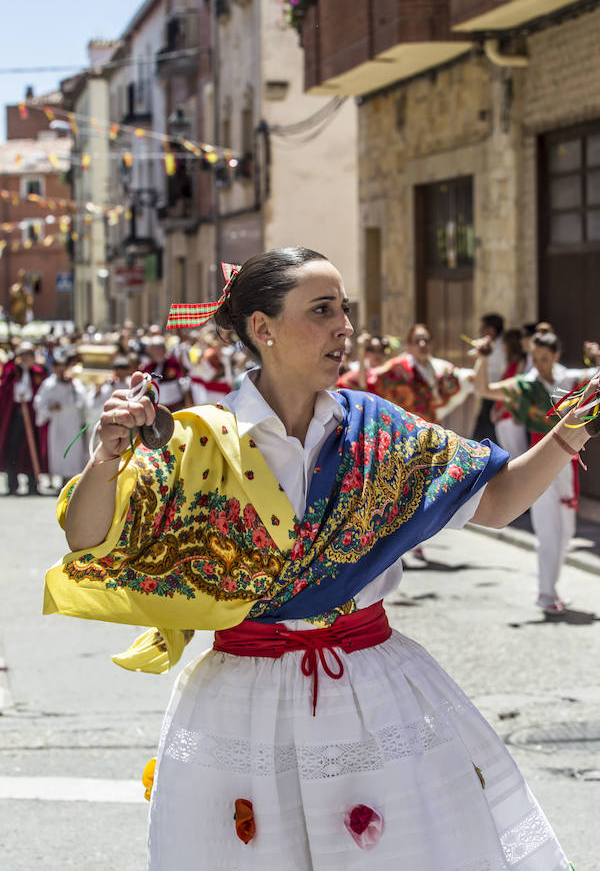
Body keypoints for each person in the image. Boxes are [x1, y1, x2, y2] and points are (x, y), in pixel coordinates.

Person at [45, 247, 589, 869]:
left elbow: (493, 501)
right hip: (245, 699)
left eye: (345, 310)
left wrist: (571, 431)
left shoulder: (380, 431)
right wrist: (107, 459)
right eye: (323, 309)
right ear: (263, 328)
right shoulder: (199, 439)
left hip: (369, 687)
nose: (345, 327)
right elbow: (87, 540)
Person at [474, 330, 600, 613]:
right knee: (548, 530)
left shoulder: (569, 379)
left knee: (566, 531)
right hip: (539, 462)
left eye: (545, 358)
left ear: (556, 355)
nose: (540, 363)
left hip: (568, 462)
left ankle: (551, 588)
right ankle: (545, 593)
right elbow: (484, 389)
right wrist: (483, 358)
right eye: (535, 358)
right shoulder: (525, 385)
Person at [338, 323, 473, 424]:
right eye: (417, 341)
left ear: (432, 343)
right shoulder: (397, 368)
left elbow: (467, 379)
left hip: (430, 428)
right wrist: (361, 350)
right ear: (409, 345)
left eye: (426, 340)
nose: (422, 344)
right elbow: (364, 382)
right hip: (404, 430)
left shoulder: (440, 368)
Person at [34, 352, 87, 490]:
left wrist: (73, 388)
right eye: (58, 367)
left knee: (73, 452)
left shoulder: (75, 383)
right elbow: (39, 402)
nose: (61, 370)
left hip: (72, 422)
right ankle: (61, 481)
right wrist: (50, 407)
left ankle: (70, 482)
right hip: (57, 422)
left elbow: (82, 402)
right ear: (53, 368)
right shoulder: (48, 384)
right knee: (58, 452)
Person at [0, 341, 47, 494]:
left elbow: (43, 391)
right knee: (12, 448)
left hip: (33, 416)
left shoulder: (38, 372)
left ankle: (33, 484)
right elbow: (6, 388)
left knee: (31, 448)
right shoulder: (11, 370)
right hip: (15, 415)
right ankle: (12, 484)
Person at [491, 328, 528, 458]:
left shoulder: (520, 363)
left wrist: (501, 411)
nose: (503, 347)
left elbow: (516, 392)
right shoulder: (508, 365)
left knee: (518, 456)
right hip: (501, 418)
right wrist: (494, 410)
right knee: (509, 456)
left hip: (512, 417)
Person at [471, 312, 505, 441]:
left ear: (491, 330)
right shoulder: (493, 347)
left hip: (495, 398)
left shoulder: (499, 349)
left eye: (483, 328)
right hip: (489, 396)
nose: (480, 331)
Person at [141, 335, 187, 411]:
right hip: (158, 406)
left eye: (155, 349)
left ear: (162, 349)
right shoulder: (149, 366)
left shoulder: (173, 363)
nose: (152, 353)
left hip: (175, 405)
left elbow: (183, 382)